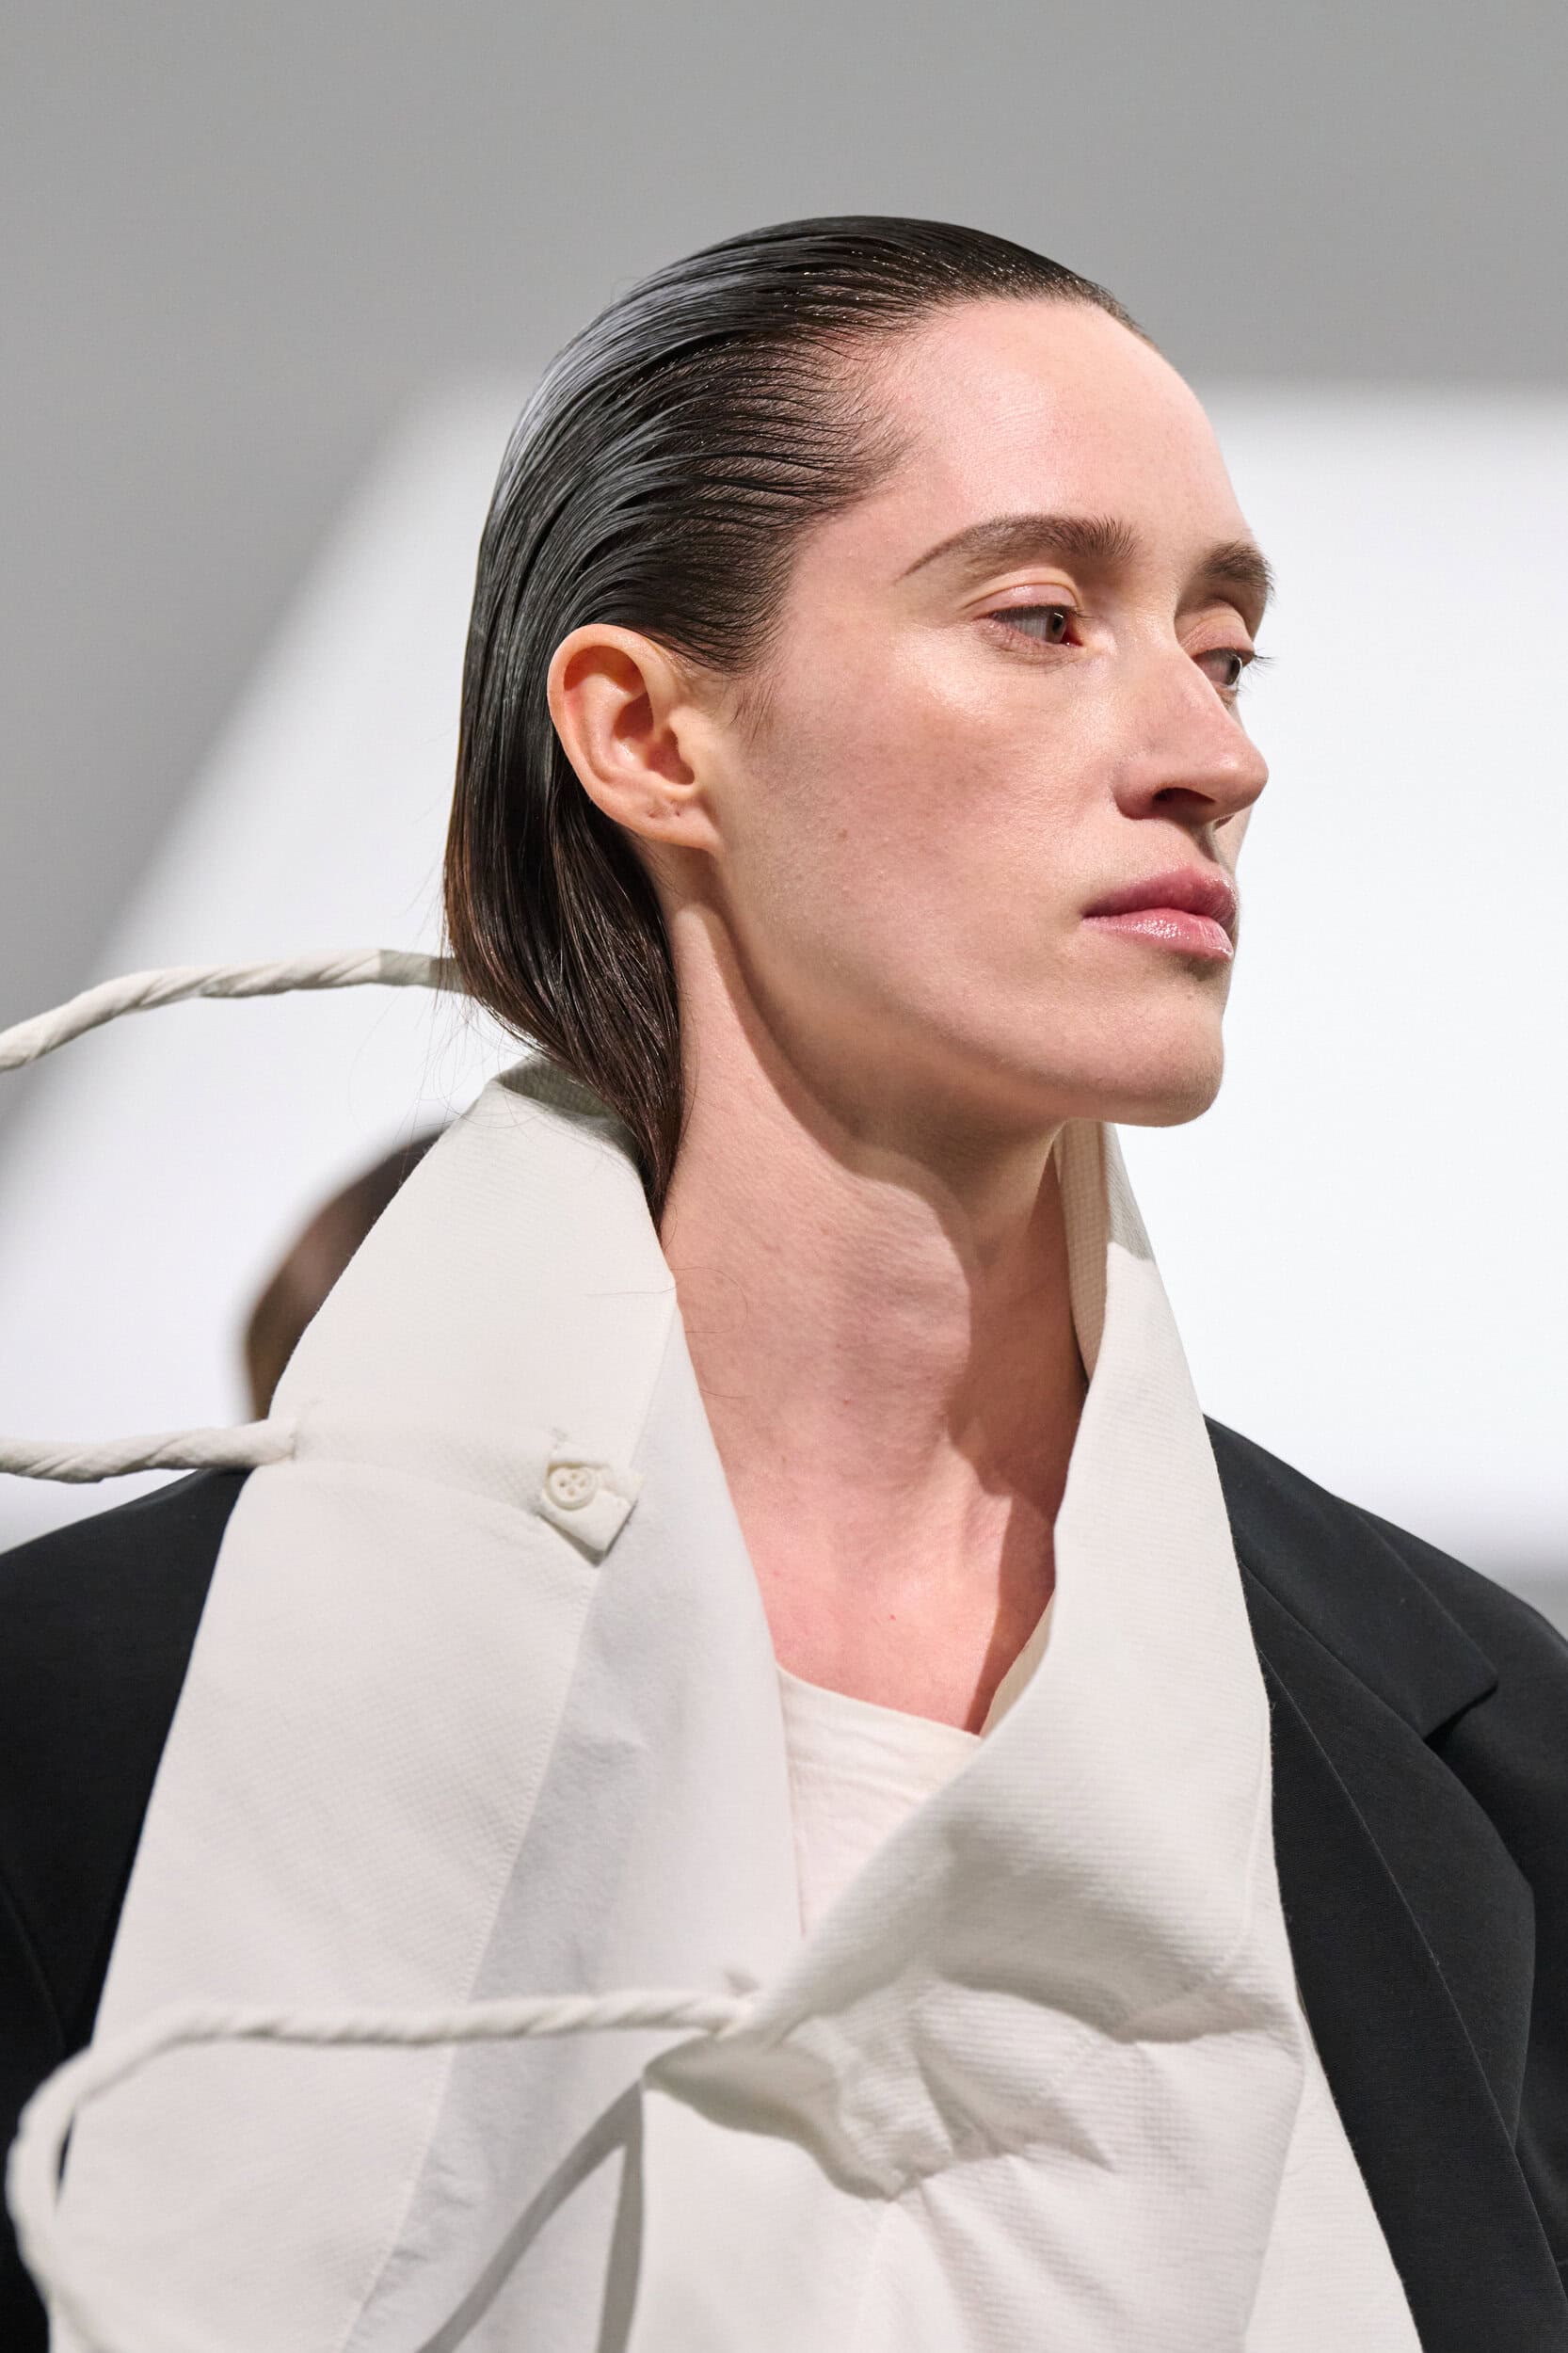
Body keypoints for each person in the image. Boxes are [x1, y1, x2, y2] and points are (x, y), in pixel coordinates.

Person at [0, 216, 1563, 2353]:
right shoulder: (77, 1727)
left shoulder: (1483, 1754)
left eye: (1222, 649)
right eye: (1039, 616)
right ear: (647, 733)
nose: (1212, 752)